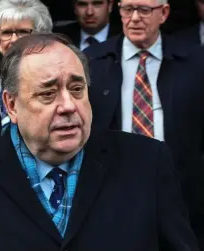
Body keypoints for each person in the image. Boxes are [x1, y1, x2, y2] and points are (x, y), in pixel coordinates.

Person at [0, 33, 199, 251]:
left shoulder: (148, 164)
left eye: (77, 89)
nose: (68, 106)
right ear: (11, 105)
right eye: (48, 93)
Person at [84, 0, 204, 248]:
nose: (135, 18)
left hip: (182, 191)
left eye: (144, 10)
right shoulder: (94, 62)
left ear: (164, 13)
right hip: (113, 190)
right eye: (128, 9)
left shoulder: (195, 62)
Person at [0, 0, 53, 149]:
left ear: (41, 38)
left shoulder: (57, 91)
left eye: (23, 32)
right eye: (6, 32)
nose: (13, 39)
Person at [53, 0, 121, 50]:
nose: (89, 12)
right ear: (74, 7)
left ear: (110, 6)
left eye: (97, 4)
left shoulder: (124, 37)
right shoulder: (59, 38)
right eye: (82, 4)